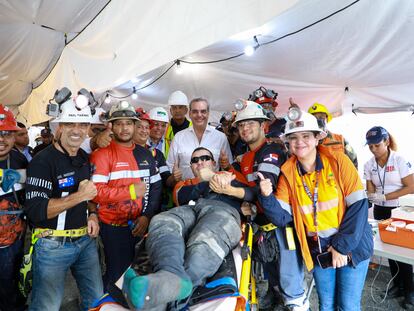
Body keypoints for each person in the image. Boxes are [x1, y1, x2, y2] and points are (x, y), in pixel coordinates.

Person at [258, 110, 373, 311]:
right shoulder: (288, 173)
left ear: (317, 137)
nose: (299, 142)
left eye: (305, 136)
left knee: (347, 305)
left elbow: (359, 207)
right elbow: (282, 218)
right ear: (287, 142)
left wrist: (340, 247)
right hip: (319, 249)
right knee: (326, 305)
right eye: (293, 137)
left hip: (352, 245)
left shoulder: (339, 161)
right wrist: (266, 197)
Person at [210, 101, 309, 311]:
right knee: (273, 279)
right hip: (262, 228)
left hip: (283, 228)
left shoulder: (272, 150)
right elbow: (233, 181)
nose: (245, 129)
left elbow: (263, 189)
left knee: (291, 287)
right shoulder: (244, 158)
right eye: (241, 125)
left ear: (263, 125)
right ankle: (274, 298)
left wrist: (234, 192)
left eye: (250, 123)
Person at [122, 147, 242, 310]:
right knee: (162, 220)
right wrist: (208, 179)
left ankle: (162, 302)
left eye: (205, 158)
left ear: (214, 163)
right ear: (191, 167)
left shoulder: (231, 176)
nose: (200, 162)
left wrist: (227, 185)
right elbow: (182, 196)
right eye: (195, 160)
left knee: (204, 238)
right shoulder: (182, 184)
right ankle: (170, 274)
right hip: (190, 209)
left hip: (222, 210)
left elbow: (251, 194)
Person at [24, 96, 103, 310]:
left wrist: (93, 213)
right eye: (70, 123)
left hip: (85, 241)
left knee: (96, 300)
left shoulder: (84, 158)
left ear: (88, 128)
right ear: (59, 127)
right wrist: (79, 196)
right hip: (52, 245)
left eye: (83, 124)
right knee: (47, 306)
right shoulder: (42, 161)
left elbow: (89, 195)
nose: (76, 130)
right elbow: (36, 211)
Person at [90, 101, 162, 290]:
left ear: (134, 125)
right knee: (117, 277)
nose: (124, 128)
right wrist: (129, 192)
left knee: (140, 276)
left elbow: (156, 188)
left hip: (142, 226)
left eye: (128, 123)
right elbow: (95, 193)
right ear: (111, 126)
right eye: (119, 123)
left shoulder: (145, 154)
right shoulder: (101, 154)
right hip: (114, 228)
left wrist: (146, 216)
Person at [364, 126, 414, 308]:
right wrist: (371, 195)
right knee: (388, 251)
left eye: (376, 145)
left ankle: (410, 290)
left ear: (386, 142)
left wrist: (385, 197)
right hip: (380, 210)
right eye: (370, 146)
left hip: (398, 210)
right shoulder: (369, 164)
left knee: (401, 252)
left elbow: (411, 186)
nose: (373, 149)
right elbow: (370, 187)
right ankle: (397, 285)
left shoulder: (399, 160)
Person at [0, 105, 28, 311]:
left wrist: (22, 176)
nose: (2, 139)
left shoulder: (19, 160)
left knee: (10, 281)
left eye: (7, 134)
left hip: (13, 241)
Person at [167, 97, 233, 180]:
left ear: (208, 113)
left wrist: (226, 165)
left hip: (213, 190)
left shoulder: (221, 138)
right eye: (195, 111)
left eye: (203, 111)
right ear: (190, 114)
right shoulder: (178, 137)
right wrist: (174, 177)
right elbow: (170, 167)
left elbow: (229, 167)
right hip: (186, 190)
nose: (199, 115)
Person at [308, 102, 358, 168]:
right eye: (314, 118)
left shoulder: (340, 139)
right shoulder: (304, 142)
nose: (318, 120)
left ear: (327, 119)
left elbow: (353, 161)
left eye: (321, 117)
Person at [165, 90, 192, 157]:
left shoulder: (193, 127)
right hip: (169, 164)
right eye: (174, 107)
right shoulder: (164, 128)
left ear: (186, 110)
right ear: (170, 111)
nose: (177, 110)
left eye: (180, 107)